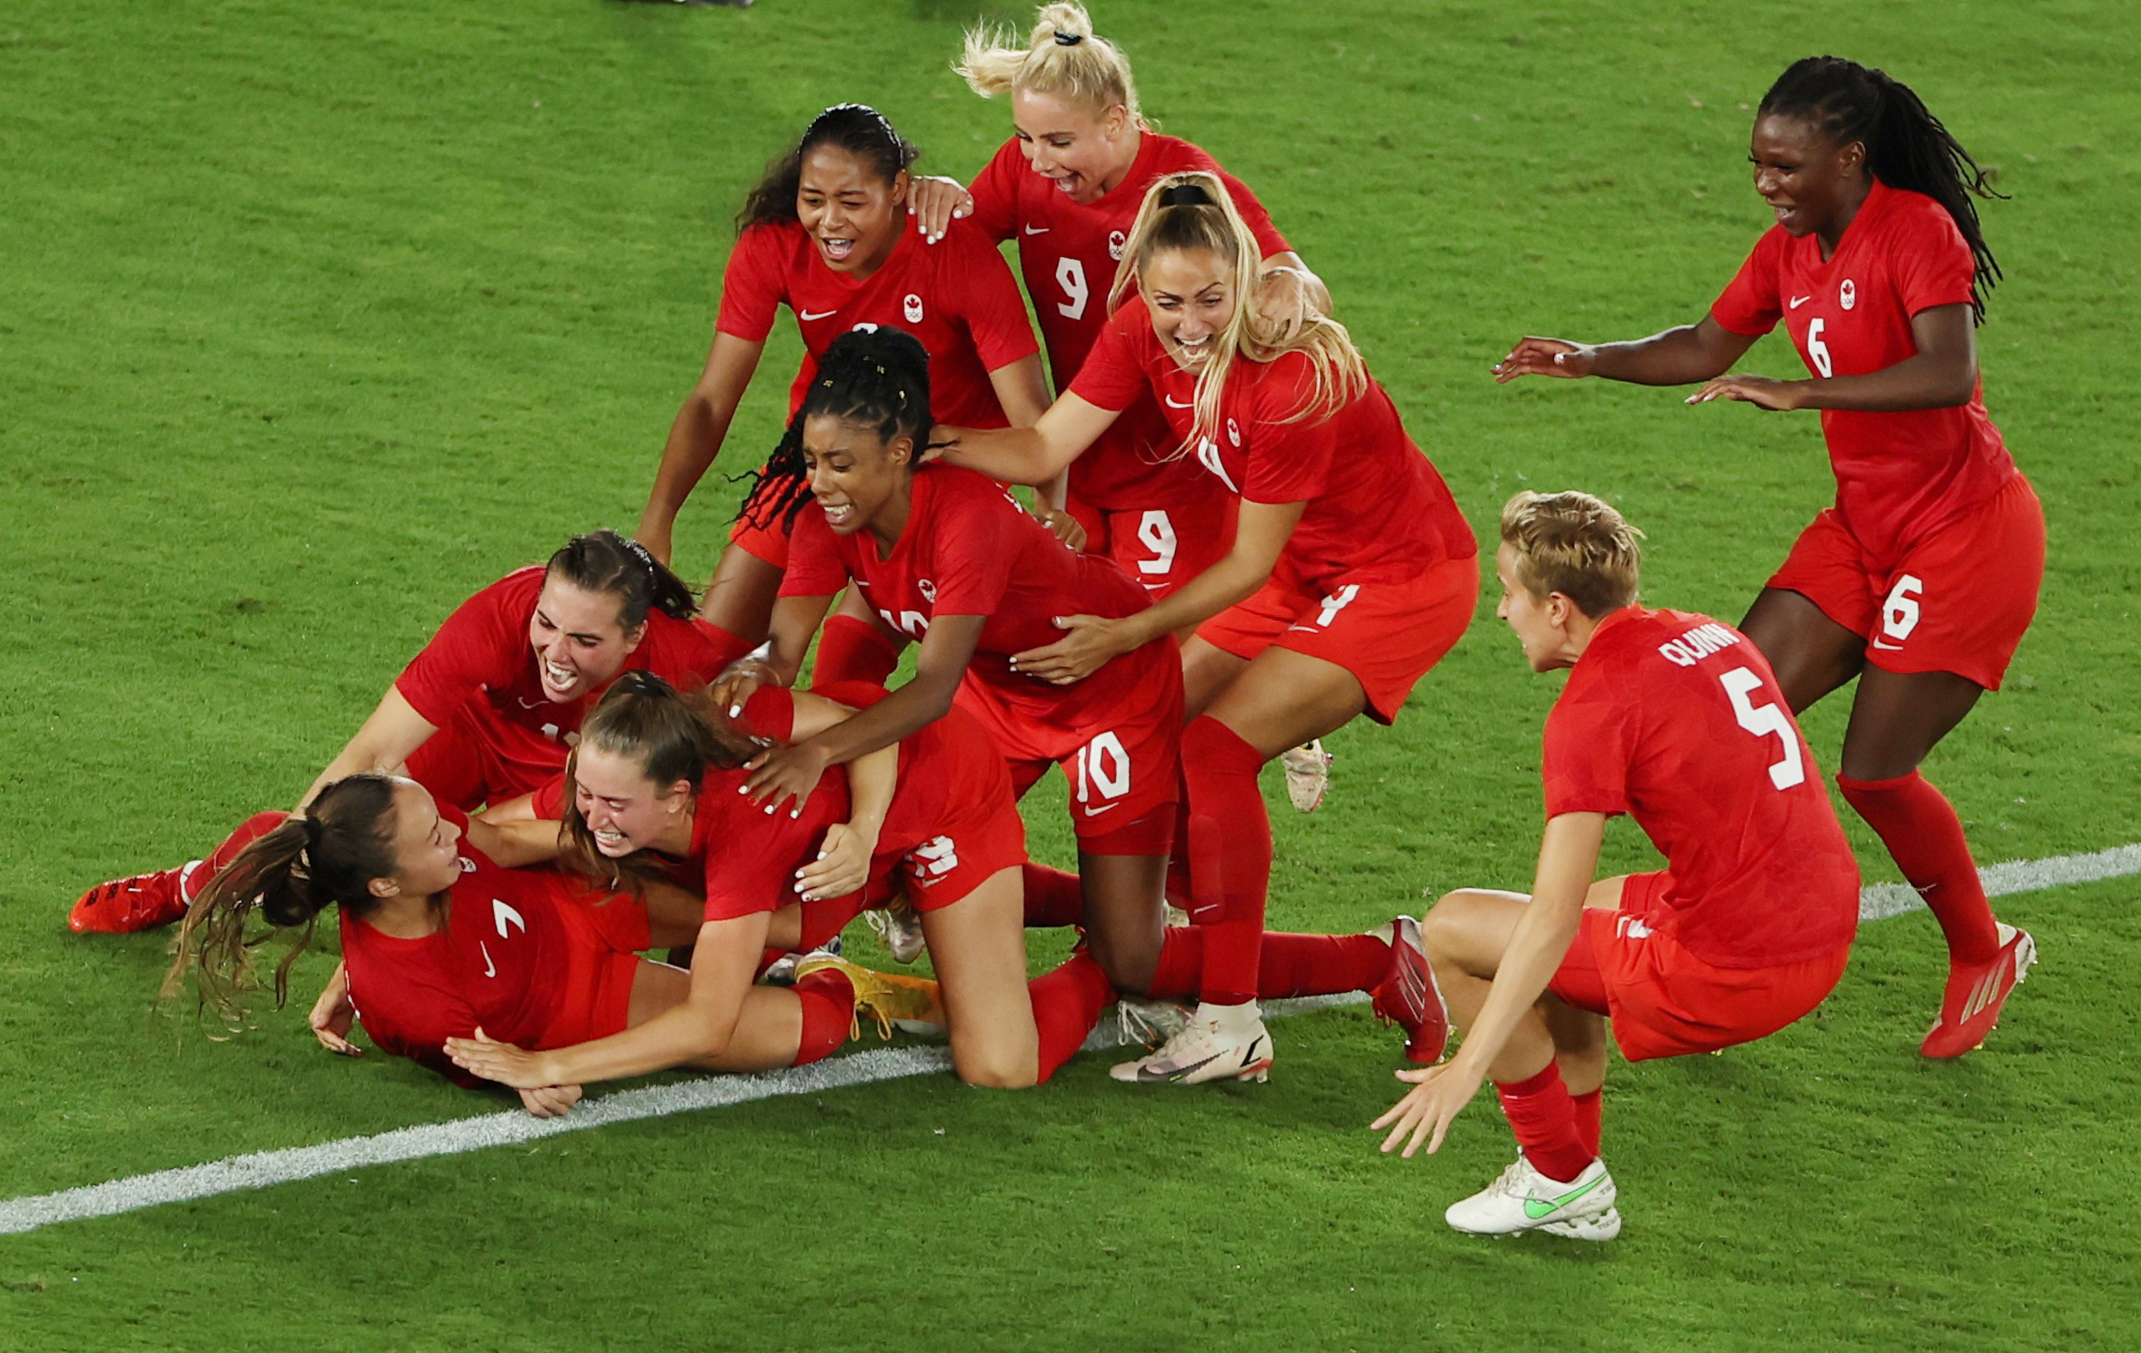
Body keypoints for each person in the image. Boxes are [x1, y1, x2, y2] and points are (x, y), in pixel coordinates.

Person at [1491, 56, 2040, 1057]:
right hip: (1864, 527)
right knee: (1724, 719)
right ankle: (1709, 936)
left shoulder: (1912, 232)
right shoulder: (1788, 253)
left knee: (1873, 773)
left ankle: (1982, 945)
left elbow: (1946, 373)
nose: (1766, 184)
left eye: (1784, 167)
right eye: (1756, 164)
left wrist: (1799, 392)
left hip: (1965, 534)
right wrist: (1585, 357)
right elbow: (1704, 344)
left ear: (1848, 157)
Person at [934, 173, 1477, 1084]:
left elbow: (1244, 568)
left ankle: (1231, 1017)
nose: (1188, 323)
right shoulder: (1142, 329)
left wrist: (1123, 632)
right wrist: (918, 438)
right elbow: (1040, 447)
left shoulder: (1297, 375)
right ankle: (1199, 943)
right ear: (1141, 290)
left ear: (1247, 281)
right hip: (1305, 565)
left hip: (1397, 577)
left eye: (1211, 299)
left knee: (1215, 752)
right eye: (1169, 299)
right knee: (1159, 724)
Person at [1372, 491, 1860, 1240]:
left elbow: (1549, 917)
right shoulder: (1707, 632)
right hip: (1819, 917)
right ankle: (1575, 1174)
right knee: (1581, 916)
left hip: (1739, 965)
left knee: (1454, 933)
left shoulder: (1593, 707)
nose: (1501, 613)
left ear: (1558, 607)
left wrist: (1468, 1064)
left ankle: (1556, 1173)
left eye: (1509, 594)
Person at [912, 2, 1340, 813]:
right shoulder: (1020, 172)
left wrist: (1291, 279)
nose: (1038, 162)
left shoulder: (1185, 183)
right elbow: (958, 244)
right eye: (1026, 140)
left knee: (1161, 677)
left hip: (1169, 466)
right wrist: (936, 197)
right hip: (1073, 451)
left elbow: (1287, 264)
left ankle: (1264, 712)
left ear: (1116, 122)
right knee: (1070, 653)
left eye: (1058, 142)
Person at [710, 327, 1187, 1010]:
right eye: (811, 460)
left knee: (1134, 963)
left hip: (1108, 685)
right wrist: (750, 670)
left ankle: (1372, 956)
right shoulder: (825, 521)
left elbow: (931, 690)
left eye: (839, 463)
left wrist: (816, 749)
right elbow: (782, 651)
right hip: (998, 689)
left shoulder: (964, 516)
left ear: (900, 453)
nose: (819, 482)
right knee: (904, 839)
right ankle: (1100, 902)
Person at [444, 672, 1116, 1092]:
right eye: (582, 791)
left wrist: (550, 1067)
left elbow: (708, 1023)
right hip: (821, 848)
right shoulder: (639, 749)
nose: (591, 815)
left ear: (678, 797)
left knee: (1000, 1066)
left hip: (939, 787)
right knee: (744, 918)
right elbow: (490, 836)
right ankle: (923, 899)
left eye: (615, 804)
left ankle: (1119, 956)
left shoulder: (745, 831)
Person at [70, 530, 732, 934]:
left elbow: (713, 802)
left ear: (635, 637)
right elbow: (373, 752)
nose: (555, 652)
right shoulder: (495, 619)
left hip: (569, 778)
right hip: (482, 732)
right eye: (547, 624)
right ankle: (186, 887)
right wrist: (293, 849)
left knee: (563, 884)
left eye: (585, 639)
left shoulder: (680, 667)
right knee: (349, 832)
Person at [633, 102, 1054, 688]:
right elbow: (710, 401)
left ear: (899, 190)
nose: (830, 222)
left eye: (852, 202)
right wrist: (658, 522)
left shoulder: (954, 252)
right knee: (707, 656)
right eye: (813, 199)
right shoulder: (774, 246)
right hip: (823, 452)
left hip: (940, 464)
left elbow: (1035, 421)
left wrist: (1053, 504)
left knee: (843, 670)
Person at [163, 773, 871, 1117]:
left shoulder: (396, 854)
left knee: (778, 919)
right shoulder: (406, 1005)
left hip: (576, 906)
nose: (451, 829)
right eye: (433, 836)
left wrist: (627, 841)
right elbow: (493, 1064)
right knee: (817, 1028)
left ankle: (803, 931)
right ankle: (826, 964)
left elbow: (501, 838)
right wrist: (527, 1081)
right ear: (383, 886)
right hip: (584, 1007)